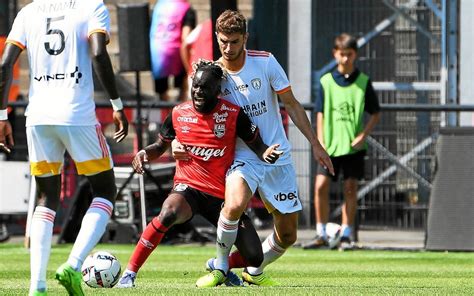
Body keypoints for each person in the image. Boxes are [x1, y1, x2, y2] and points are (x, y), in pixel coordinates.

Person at [192, 10, 334, 287]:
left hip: (276, 154)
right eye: (223, 41)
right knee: (233, 205)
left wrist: (315, 144)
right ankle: (221, 266)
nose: (228, 48)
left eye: (234, 41)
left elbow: (291, 104)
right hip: (243, 155)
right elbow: (195, 115)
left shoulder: (265, 62)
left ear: (245, 37)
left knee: (288, 235)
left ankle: (250, 270)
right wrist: (177, 142)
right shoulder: (214, 75)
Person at [116, 60, 283, 288]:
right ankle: (129, 274)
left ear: (217, 90)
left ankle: (219, 266)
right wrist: (145, 153)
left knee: (255, 257)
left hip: (222, 196)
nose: (198, 91)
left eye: (204, 87)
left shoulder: (233, 114)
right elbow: (159, 145)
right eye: (195, 86)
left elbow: (258, 145)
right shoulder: (178, 113)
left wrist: (267, 153)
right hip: (189, 188)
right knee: (168, 212)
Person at [0, 1, 129, 295]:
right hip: (77, 115)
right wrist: (117, 104)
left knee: (46, 198)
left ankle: (37, 286)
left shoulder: (28, 12)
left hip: (38, 118)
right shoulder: (91, 7)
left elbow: (5, 64)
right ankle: (73, 264)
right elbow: (98, 52)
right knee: (105, 191)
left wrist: (1, 116)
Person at [302, 33, 380, 251]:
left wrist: (363, 135)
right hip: (330, 147)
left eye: (349, 54)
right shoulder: (326, 81)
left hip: (353, 148)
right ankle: (321, 233)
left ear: (355, 55)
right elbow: (320, 113)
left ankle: (345, 234)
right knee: (320, 186)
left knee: (350, 188)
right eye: (341, 54)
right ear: (335, 54)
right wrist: (320, 142)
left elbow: (375, 113)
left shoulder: (363, 82)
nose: (345, 58)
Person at [150, 0, 196, 120]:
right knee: (182, 88)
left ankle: (167, 120)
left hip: (157, 51)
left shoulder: (158, 5)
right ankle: (178, 119)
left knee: (162, 91)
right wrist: (189, 67)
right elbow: (185, 37)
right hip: (176, 52)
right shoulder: (186, 8)